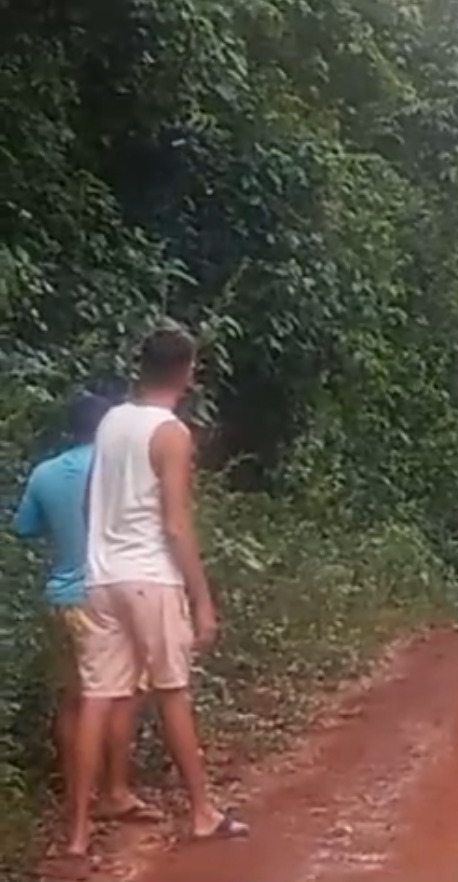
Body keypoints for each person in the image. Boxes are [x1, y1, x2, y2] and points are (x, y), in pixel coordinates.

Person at [65, 324, 248, 860]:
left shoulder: (111, 422)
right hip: (151, 577)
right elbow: (174, 523)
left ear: (141, 368)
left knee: (97, 697)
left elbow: (88, 503)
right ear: (186, 371)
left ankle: (77, 834)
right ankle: (202, 812)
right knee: (172, 690)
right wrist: (202, 596)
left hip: (101, 575)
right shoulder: (170, 433)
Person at [12, 390, 162, 825]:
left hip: (62, 598)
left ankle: (77, 791)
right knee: (121, 697)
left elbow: (24, 527)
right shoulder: (120, 469)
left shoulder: (45, 472)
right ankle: (114, 790)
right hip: (112, 595)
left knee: (73, 699)